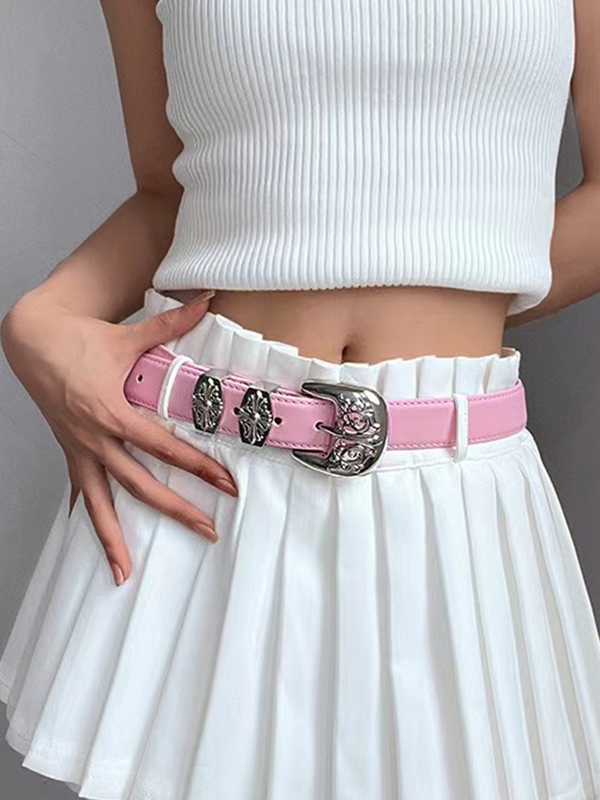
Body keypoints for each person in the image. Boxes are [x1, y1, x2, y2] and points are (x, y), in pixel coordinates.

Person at [1, 0, 600, 798]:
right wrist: (39, 321)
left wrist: (465, 276)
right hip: (205, 482)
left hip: (456, 483)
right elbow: (166, 192)